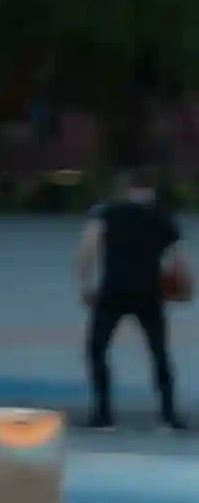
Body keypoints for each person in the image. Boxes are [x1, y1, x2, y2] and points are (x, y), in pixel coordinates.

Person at [78, 172, 186, 431]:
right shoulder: (162, 215)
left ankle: (103, 414)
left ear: (125, 189)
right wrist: (178, 286)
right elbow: (176, 257)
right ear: (150, 190)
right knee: (159, 351)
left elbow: (88, 249)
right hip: (149, 290)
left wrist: (85, 284)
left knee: (97, 349)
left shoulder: (105, 212)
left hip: (113, 288)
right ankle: (169, 414)